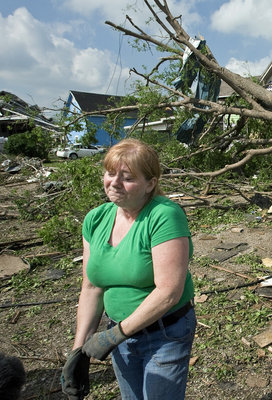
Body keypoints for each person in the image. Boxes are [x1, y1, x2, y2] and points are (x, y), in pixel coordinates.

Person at [61, 139, 196, 400]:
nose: (114, 183)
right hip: (119, 335)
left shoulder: (164, 215)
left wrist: (115, 334)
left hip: (164, 333)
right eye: (111, 174)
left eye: (128, 178)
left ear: (150, 183)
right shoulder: (96, 218)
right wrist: (79, 350)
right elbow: (91, 287)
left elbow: (168, 292)